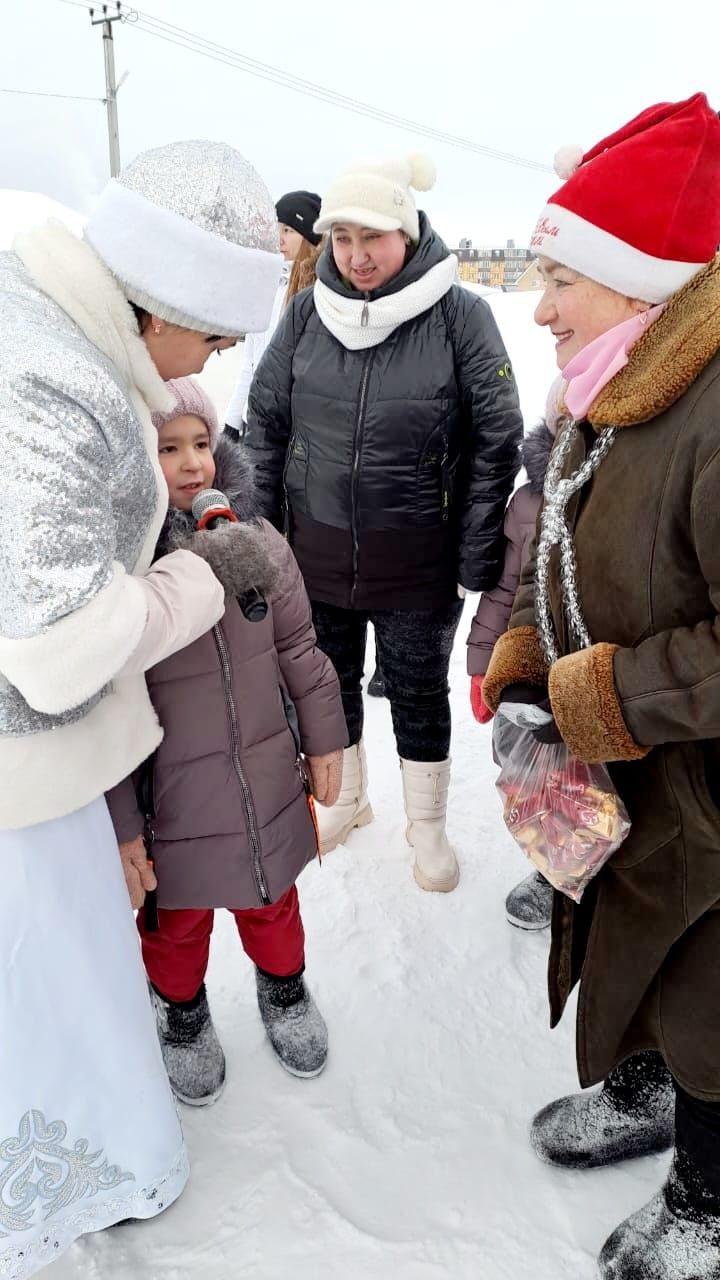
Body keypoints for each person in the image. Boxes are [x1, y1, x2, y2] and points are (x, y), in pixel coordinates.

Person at [0, 140, 281, 1276]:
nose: (212, 361)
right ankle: (71, 1167)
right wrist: (199, 581)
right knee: (51, 977)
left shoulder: (53, 329)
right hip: (24, 764)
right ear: (167, 299)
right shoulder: (55, 380)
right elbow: (57, 650)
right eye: (216, 334)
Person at [482, 93, 720, 1277]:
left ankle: (708, 1194)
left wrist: (594, 694)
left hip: (707, 797)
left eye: (559, 277)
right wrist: (527, 664)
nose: (540, 307)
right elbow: (557, 553)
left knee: (712, 991)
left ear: (638, 279)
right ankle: (646, 1082)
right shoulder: (610, 384)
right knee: (629, 944)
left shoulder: (713, 410)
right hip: (629, 777)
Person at [244, 153, 522, 894]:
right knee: (329, 684)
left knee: (417, 691)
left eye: (374, 237)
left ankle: (426, 827)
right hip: (316, 553)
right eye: (341, 240)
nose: (358, 257)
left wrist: (473, 548)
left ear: (407, 232)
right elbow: (266, 425)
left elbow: (498, 434)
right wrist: (265, 540)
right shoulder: (305, 315)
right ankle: (347, 801)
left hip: (417, 563)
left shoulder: (461, 316)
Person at [106, 377, 347, 1102]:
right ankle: (181, 1013)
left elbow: (299, 646)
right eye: (168, 448)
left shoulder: (259, 542)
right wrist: (121, 825)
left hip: (266, 778)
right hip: (172, 800)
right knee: (175, 920)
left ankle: (285, 989)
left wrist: (326, 739)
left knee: (271, 899)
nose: (191, 464)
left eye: (201, 444)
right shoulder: (126, 574)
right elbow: (107, 706)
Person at [467, 376, 565, 930]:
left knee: (599, 778)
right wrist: (483, 663)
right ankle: (553, 869)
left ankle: (600, 872)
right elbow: (504, 590)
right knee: (533, 775)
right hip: (528, 668)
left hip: (597, 669)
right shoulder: (528, 502)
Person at [225, 190, 322, 438]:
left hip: (291, 430)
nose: (279, 239)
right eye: (276, 229)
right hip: (254, 423)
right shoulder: (268, 286)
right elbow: (250, 363)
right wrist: (232, 423)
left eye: (288, 230)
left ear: (309, 236)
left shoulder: (319, 295)